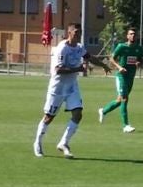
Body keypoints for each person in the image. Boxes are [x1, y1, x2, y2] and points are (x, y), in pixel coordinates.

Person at [33, 22, 108, 158]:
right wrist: (78, 69)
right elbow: (58, 69)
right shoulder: (62, 48)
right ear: (70, 33)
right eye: (76, 33)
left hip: (72, 87)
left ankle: (63, 142)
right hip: (58, 88)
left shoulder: (79, 47)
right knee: (49, 117)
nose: (78, 35)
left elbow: (89, 57)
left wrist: (103, 65)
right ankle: (37, 142)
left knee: (78, 114)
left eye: (80, 33)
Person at [98, 27, 143, 133]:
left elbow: (140, 58)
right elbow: (112, 58)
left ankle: (103, 111)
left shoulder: (139, 48)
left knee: (120, 100)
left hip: (130, 77)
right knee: (124, 99)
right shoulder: (121, 46)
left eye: (134, 34)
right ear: (127, 36)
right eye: (131, 34)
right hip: (121, 76)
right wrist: (119, 67)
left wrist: (138, 62)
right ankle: (126, 126)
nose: (133, 35)